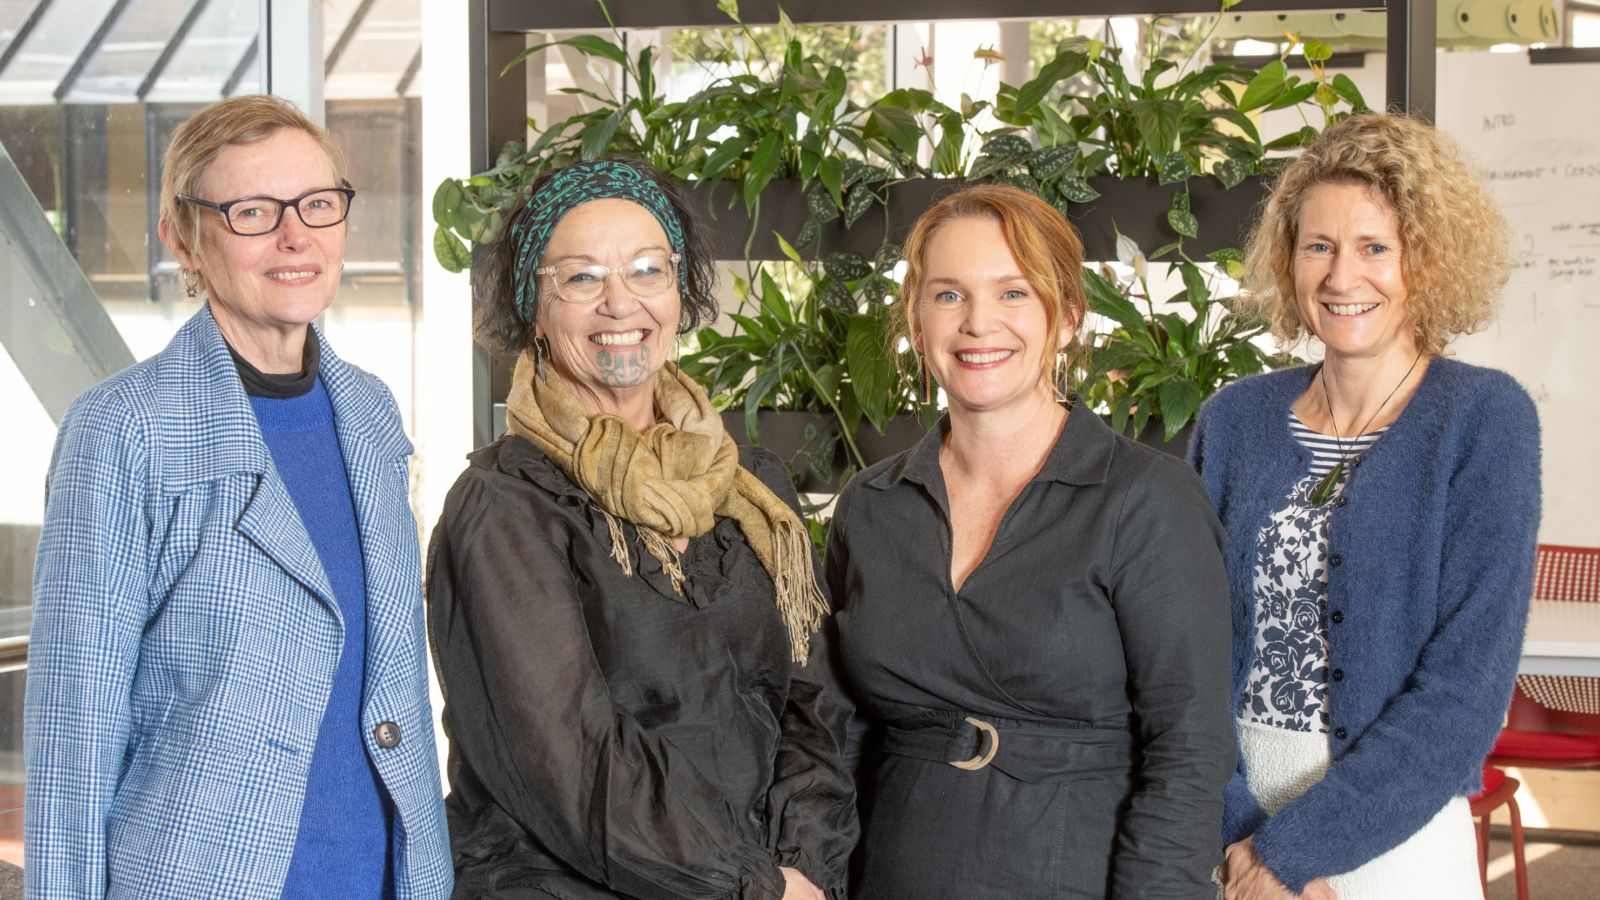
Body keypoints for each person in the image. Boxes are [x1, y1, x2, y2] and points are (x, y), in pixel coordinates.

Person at [24, 95, 451, 898]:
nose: (297, 237)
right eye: (253, 211)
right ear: (182, 238)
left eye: (317, 205)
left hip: (384, 876)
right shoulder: (123, 430)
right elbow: (72, 736)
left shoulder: (369, 411)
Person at [426, 158, 858, 900]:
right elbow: (568, 756)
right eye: (582, 277)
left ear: (680, 292)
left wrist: (804, 871)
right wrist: (756, 886)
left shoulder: (749, 485)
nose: (620, 304)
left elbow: (813, 709)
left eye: (647, 270)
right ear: (535, 307)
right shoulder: (502, 507)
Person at [826, 184, 1234, 898]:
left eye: (1013, 293)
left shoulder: (1147, 500)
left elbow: (1190, 752)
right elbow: (842, 735)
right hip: (892, 872)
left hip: (1073, 872)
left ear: (1068, 317)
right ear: (917, 323)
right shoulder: (871, 506)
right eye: (948, 295)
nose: (979, 323)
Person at [1191, 111, 1541, 900]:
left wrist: (1292, 854)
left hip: (1397, 840)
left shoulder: (1483, 420)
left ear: (1427, 257)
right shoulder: (1234, 421)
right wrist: (1239, 837)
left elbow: (1465, 692)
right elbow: (1185, 653)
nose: (1342, 278)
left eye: (1374, 247)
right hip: (1225, 836)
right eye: (1319, 246)